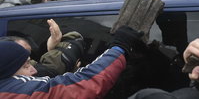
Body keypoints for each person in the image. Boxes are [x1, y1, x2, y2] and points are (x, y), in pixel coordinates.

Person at [0, 25, 144, 98]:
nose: (34, 70)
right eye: (26, 65)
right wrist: (119, 47)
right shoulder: (16, 92)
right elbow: (84, 85)